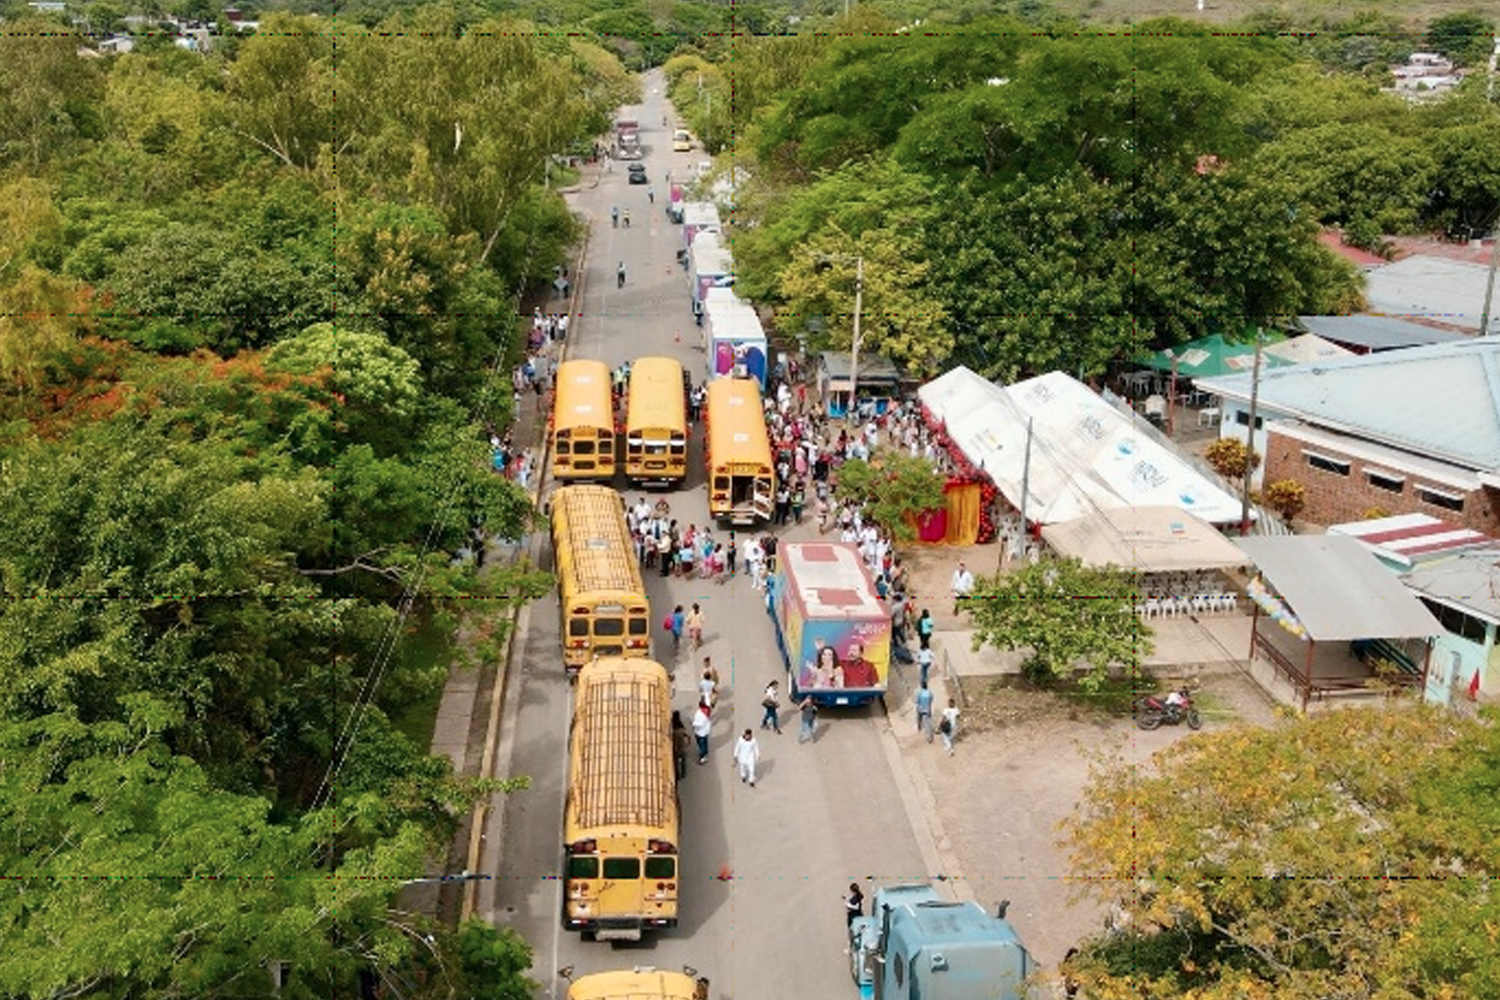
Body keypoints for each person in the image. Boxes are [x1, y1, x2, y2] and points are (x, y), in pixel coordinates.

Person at [671, 710, 690, 781]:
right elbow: (688, 736)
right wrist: (688, 743)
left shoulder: (673, 729)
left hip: (676, 748)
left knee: (676, 763)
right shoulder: (681, 728)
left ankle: (677, 775)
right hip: (682, 747)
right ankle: (683, 773)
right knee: (683, 762)